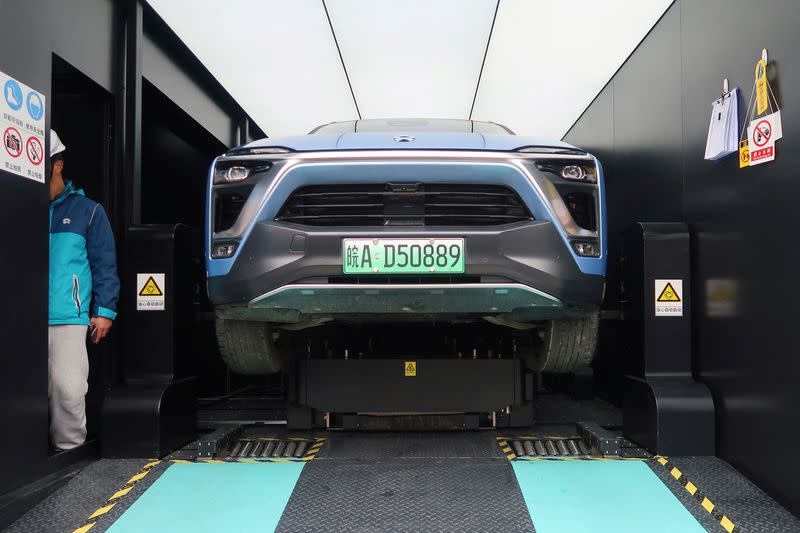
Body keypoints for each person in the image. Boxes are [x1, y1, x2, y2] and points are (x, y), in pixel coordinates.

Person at [48, 129, 120, 451]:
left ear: (57, 165)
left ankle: (69, 451)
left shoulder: (88, 211)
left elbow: (104, 264)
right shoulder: (16, 206)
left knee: (68, 388)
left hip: (68, 315)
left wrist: (104, 312)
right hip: (21, 316)